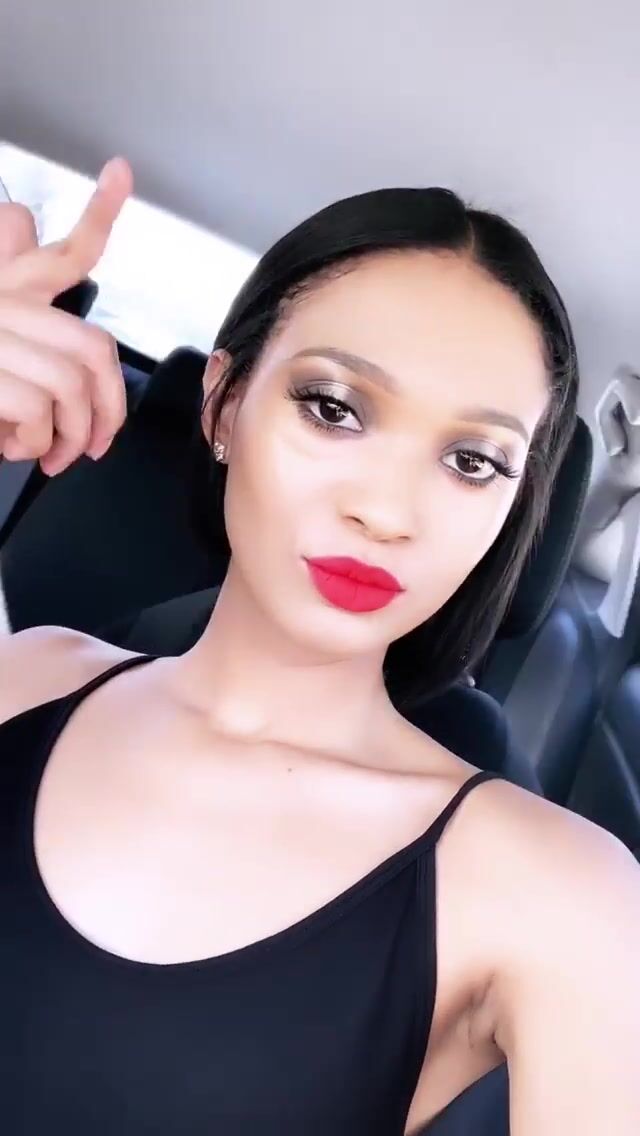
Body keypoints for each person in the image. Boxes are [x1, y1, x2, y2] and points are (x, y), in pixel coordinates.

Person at [0, 158, 638, 1136]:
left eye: (472, 461)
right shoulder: (28, 675)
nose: (386, 510)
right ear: (223, 402)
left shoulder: (561, 891)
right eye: (334, 407)